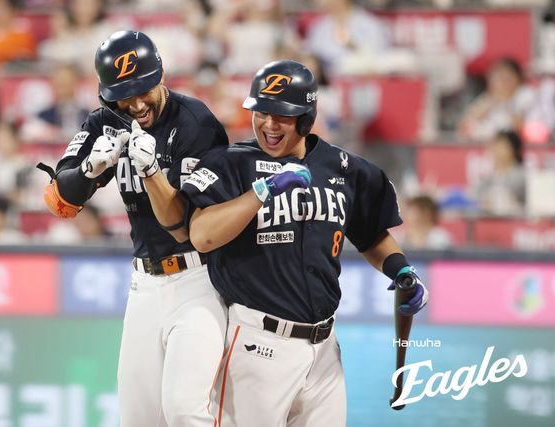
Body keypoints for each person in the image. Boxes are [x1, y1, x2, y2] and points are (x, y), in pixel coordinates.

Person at [180, 60, 429, 426]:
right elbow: (201, 236)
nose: (269, 124)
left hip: (325, 350)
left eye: (281, 115)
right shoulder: (230, 163)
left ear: (306, 118)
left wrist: (400, 268)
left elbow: (372, 235)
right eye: (261, 112)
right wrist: (262, 191)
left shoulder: (344, 168)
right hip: (257, 343)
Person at [38, 30, 229, 427]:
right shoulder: (106, 120)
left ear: (161, 76)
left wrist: (152, 171)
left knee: (184, 409)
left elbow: (186, 227)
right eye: (125, 95)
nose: (137, 104)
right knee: (137, 418)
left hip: (199, 279)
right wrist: (89, 169)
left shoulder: (196, 122)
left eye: (144, 90)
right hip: (144, 283)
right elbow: (59, 202)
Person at [459, 57, 535, 142]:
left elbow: (526, 127)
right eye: (496, 77)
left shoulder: (525, 95)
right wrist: (489, 104)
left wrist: (504, 104)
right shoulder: (486, 99)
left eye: (506, 77)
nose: (501, 82)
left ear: (517, 78)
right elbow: (464, 127)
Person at [473, 130, 526, 216]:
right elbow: (476, 197)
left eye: (502, 146)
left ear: (514, 150)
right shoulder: (487, 178)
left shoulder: (521, 176)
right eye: (494, 146)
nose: (496, 150)